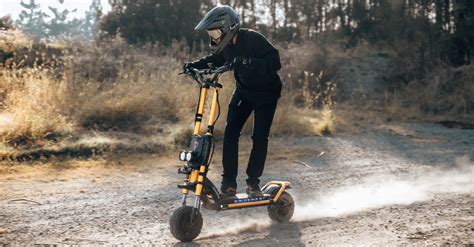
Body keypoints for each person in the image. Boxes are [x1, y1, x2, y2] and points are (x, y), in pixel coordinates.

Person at [183, 5, 282, 196]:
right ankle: (229, 184)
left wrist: (247, 62)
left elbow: (275, 62)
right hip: (244, 92)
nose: (213, 37)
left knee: (259, 137)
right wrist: (193, 65)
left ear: (228, 28)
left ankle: (253, 184)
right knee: (230, 134)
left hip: (266, 94)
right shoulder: (226, 47)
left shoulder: (253, 38)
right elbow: (216, 59)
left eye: (215, 32)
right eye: (211, 33)